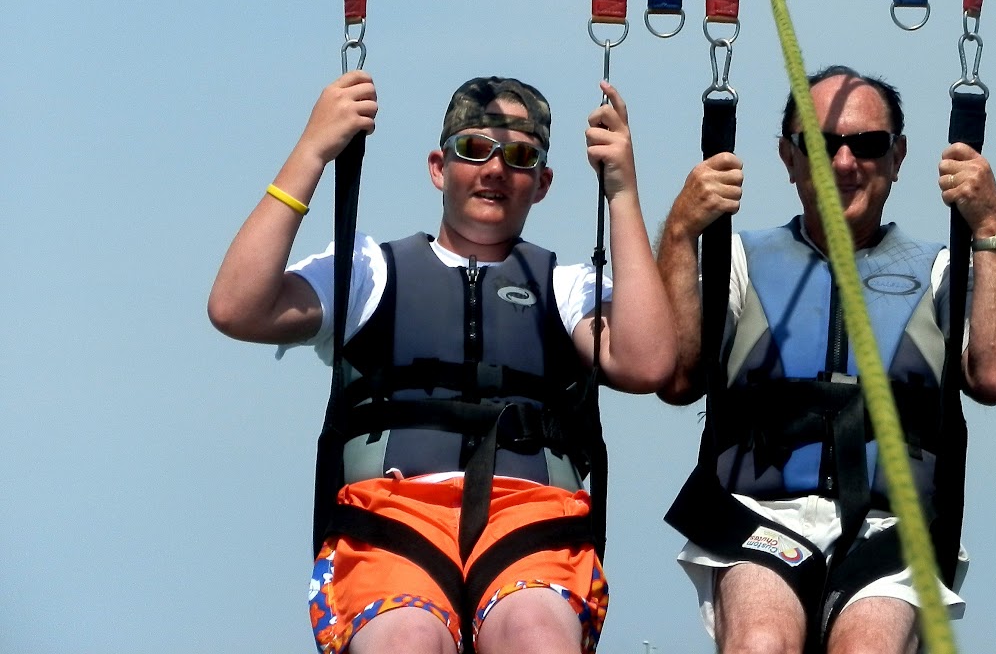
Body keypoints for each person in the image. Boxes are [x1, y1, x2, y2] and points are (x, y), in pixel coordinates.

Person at [208, 70, 674, 654]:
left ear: (544, 183)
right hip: (392, 521)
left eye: (521, 156)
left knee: (535, 635)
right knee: (404, 640)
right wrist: (313, 151)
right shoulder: (366, 273)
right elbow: (235, 307)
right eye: (474, 149)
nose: (496, 169)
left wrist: (623, 194)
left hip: (530, 523)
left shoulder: (567, 287)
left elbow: (648, 362)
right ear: (439, 167)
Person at [656, 65, 996, 654]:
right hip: (759, 516)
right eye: (822, 144)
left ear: (898, 156)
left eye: (868, 144)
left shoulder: (940, 270)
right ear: (789, 157)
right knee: (760, 643)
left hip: (892, 530)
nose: (845, 163)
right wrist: (680, 232)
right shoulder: (739, 261)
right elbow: (675, 377)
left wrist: (990, 223)